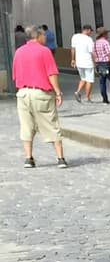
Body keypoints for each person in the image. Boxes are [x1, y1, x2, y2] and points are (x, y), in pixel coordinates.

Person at [14, 25, 67, 169]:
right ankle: (60, 158)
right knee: (51, 123)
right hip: (41, 93)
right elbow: (51, 73)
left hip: (23, 93)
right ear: (37, 36)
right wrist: (57, 92)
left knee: (26, 126)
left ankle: (28, 158)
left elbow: (15, 75)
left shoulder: (18, 52)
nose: (46, 38)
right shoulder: (44, 51)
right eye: (44, 35)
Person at [69, 23, 96, 105]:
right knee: (89, 80)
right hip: (88, 62)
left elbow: (73, 49)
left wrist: (73, 59)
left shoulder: (75, 37)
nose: (90, 33)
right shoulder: (89, 39)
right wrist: (95, 62)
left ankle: (78, 91)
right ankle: (87, 97)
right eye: (90, 31)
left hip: (79, 61)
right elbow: (92, 52)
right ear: (87, 30)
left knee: (83, 78)